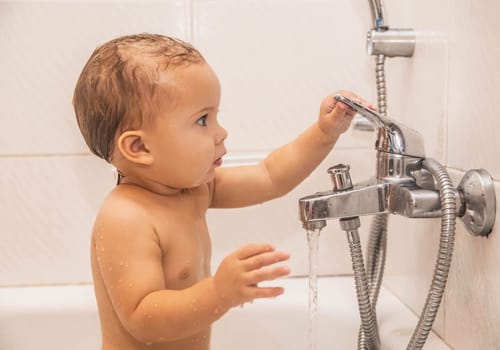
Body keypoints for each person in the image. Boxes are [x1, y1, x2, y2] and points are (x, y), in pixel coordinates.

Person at [73, 33, 369, 350]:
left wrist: (325, 132)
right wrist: (218, 293)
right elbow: (141, 318)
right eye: (203, 119)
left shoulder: (196, 190)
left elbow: (270, 176)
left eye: (216, 116)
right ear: (140, 147)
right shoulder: (126, 217)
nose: (221, 132)